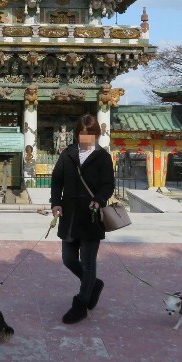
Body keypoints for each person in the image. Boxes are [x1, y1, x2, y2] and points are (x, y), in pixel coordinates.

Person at [50, 114, 114, 324]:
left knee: (88, 264)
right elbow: (57, 180)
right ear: (76, 134)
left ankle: (80, 304)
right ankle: (94, 284)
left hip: (91, 216)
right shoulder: (67, 154)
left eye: (90, 135)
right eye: (82, 134)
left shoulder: (102, 157)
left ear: (96, 135)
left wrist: (99, 199)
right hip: (69, 215)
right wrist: (55, 202)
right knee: (68, 259)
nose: (86, 139)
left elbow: (108, 184)